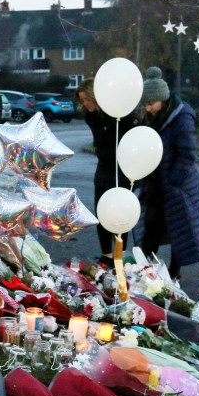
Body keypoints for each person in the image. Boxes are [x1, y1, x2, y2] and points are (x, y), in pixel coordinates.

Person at [137, 67, 199, 280]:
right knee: (151, 226)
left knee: (180, 230)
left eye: (151, 104)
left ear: (162, 99)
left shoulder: (182, 117)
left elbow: (187, 155)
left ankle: (175, 272)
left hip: (179, 186)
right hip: (156, 184)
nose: (148, 109)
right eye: (146, 105)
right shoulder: (153, 117)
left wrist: (173, 181)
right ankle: (145, 270)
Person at [74, 78, 138, 268]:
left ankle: (119, 253)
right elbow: (99, 140)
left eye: (87, 99)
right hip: (104, 167)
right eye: (82, 100)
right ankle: (106, 254)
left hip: (123, 168)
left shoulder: (118, 113)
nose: (85, 103)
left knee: (120, 213)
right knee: (102, 211)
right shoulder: (90, 115)